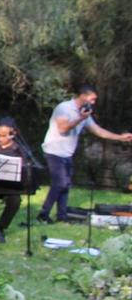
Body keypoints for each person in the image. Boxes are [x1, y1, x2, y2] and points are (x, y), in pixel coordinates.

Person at [38, 85, 132, 223]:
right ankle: (43, 215)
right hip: (53, 150)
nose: (93, 102)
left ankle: (62, 216)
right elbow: (63, 128)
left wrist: (120, 137)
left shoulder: (85, 113)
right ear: (83, 96)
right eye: (92, 99)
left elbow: (98, 131)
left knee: (66, 185)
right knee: (60, 183)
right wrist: (80, 118)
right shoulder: (64, 108)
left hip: (67, 153)